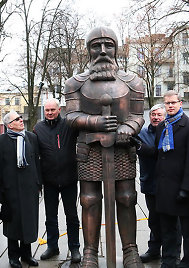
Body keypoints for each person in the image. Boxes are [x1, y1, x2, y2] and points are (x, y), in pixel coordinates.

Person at [64, 26, 145, 267]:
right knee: (89, 199)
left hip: (121, 150)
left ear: (116, 48)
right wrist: (94, 121)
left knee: (127, 198)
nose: (102, 51)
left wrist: (127, 129)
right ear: (88, 50)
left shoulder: (134, 82)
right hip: (89, 149)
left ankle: (130, 250)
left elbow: (138, 115)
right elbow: (70, 116)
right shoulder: (75, 83)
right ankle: (90, 252)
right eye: (96, 46)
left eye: (108, 45)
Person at [154, 90, 189, 268]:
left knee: (188, 231)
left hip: (183, 188)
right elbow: (159, 156)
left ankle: (187, 262)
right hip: (165, 187)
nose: (171, 105)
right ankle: (168, 261)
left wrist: (186, 187)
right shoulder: (162, 127)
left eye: (174, 102)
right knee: (167, 230)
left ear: (180, 103)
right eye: (167, 103)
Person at [33, 98, 81, 263]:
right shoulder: (38, 128)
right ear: (44, 111)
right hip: (50, 180)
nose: (50, 113)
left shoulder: (69, 124)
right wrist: (38, 181)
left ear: (59, 109)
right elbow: (34, 154)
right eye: (47, 110)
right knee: (50, 216)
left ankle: (74, 247)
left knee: (72, 215)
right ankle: (52, 246)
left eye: (53, 110)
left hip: (69, 178)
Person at [135, 104, 182, 264]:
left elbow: (162, 154)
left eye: (159, 115)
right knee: (154, 220)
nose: (155, 117)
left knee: (172, 222)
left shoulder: (170, 132)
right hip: (150, 184)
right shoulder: (141, 134)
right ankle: (154, 249)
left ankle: (174, 254)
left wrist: (144, 149)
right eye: (153, 114)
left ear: (165, 116)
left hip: (169, 185)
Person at [0, 111, 41, 268]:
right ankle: (13, 256)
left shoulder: (31, 138)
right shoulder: (1, 141)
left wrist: (38, 183)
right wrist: (1, 191)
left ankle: (26, 254)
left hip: (29, 189)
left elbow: (37, 161)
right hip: (11, 190)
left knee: (28, 222)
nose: (21, 120)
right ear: (9, 125)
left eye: (21, 117)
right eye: (17, 119)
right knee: (13, 223)